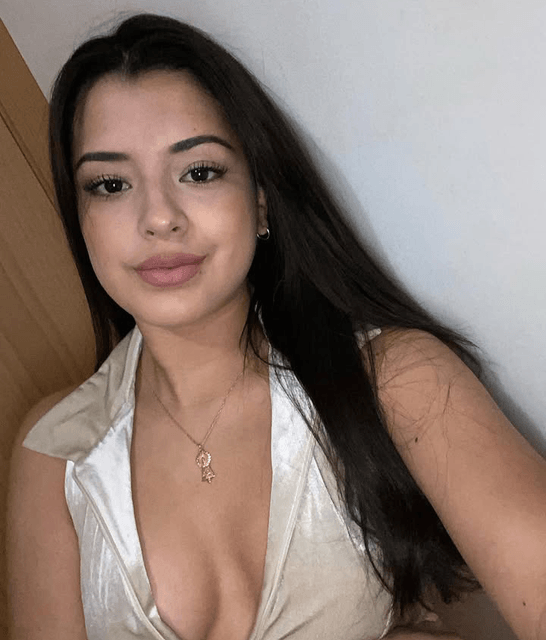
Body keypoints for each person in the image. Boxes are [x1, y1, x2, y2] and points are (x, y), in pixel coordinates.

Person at [6, 12, 546, 640]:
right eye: (110, 184)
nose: (158, 217)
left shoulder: (395, 379)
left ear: (260, 199)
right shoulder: (55, 452)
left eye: (199, 171)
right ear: (81, 221)